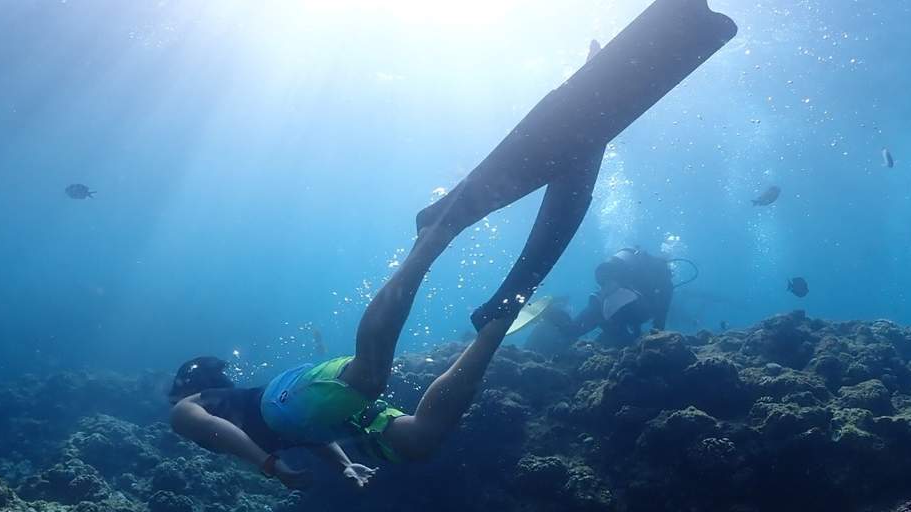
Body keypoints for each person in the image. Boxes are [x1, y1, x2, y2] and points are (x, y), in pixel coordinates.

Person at [169, 0, 736, 487]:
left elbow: (221, 431)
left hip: (296, 400)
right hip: (317, 415)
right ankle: (497, 321)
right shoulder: (247, 402)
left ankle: (430, 240)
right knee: (418, 441)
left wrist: (266, 466)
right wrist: (342, 465)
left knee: (369, 376)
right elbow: (307, 429)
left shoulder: (186, 409)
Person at [570, 248, 676, 346]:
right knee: (622, 330)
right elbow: (660, 318)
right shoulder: (665, 281)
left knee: (579, 325)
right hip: (624, 305)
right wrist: (656, 339)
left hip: (613, 298)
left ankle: (564, 330)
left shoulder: (642, 264)